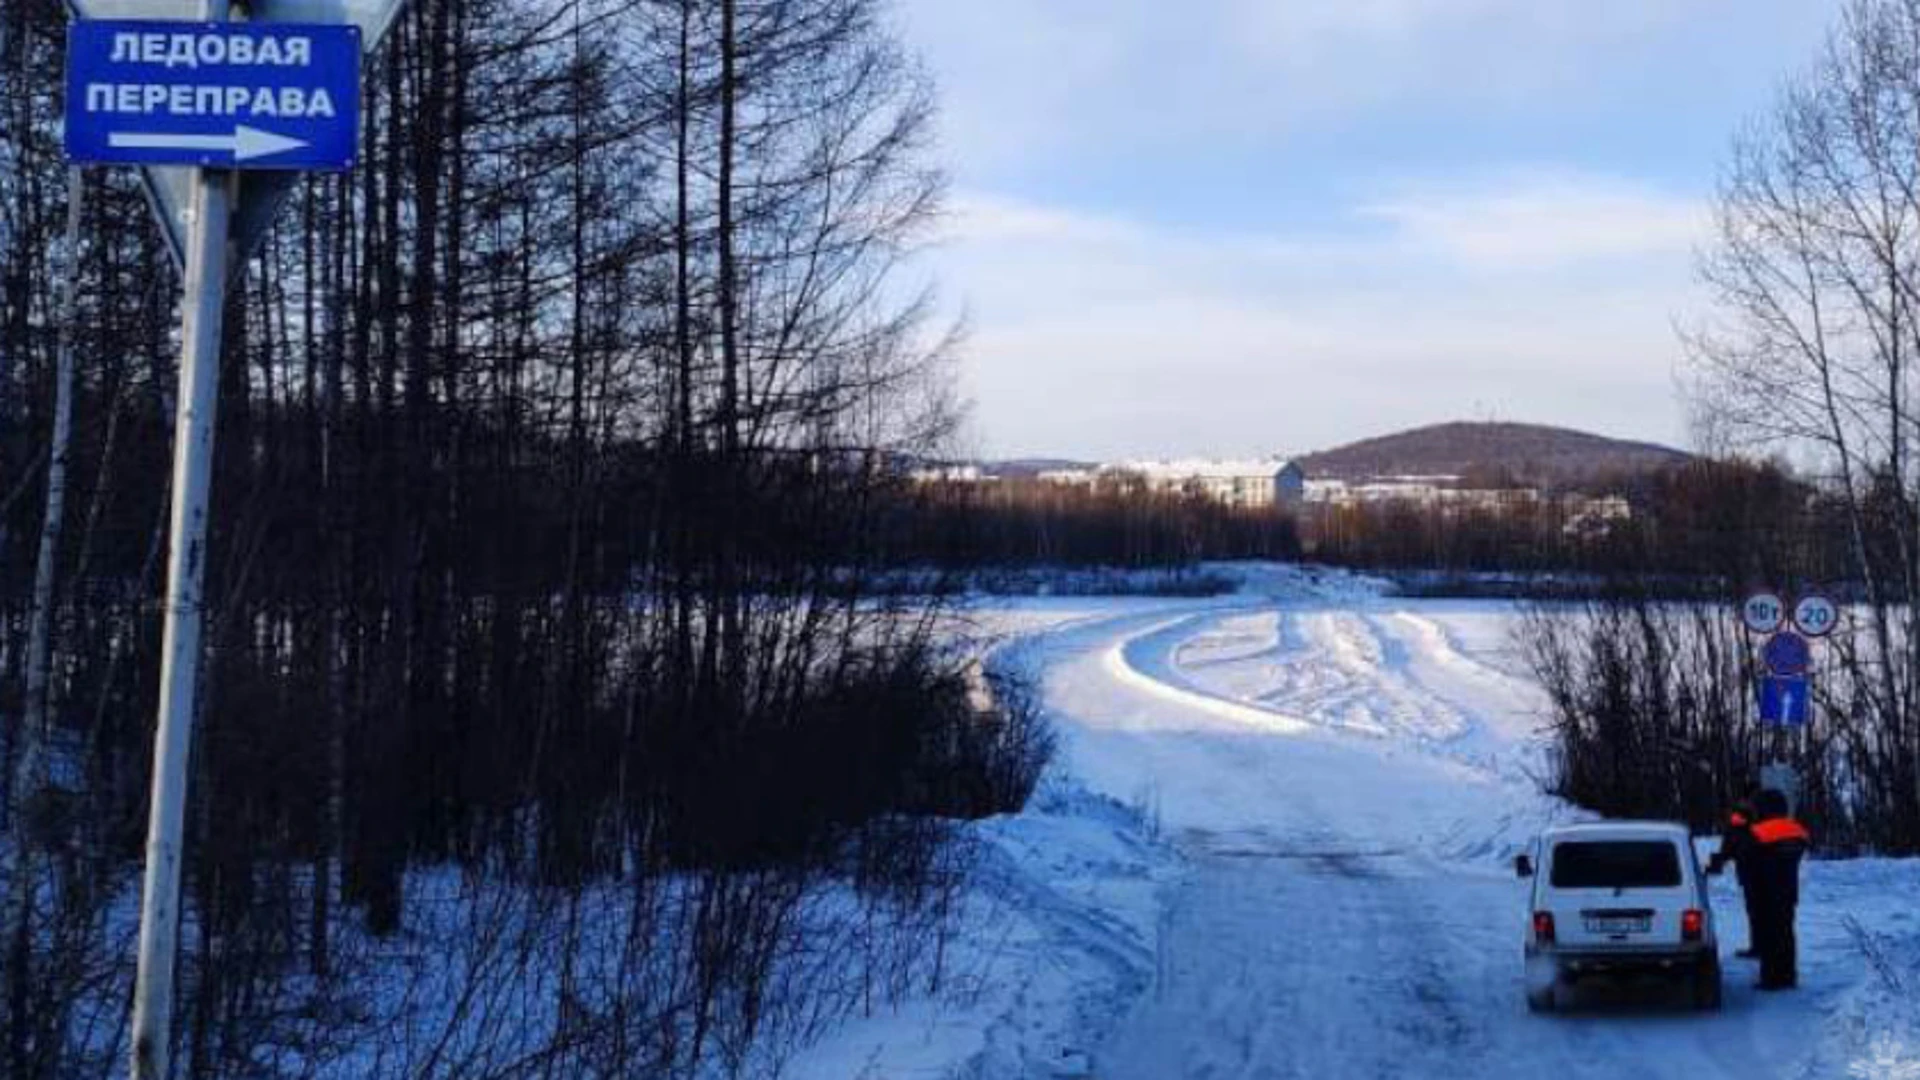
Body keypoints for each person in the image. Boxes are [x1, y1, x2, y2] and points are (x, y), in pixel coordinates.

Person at [1745, 788, 1811, 990]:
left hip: (1764, 892)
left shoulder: (1757, 832)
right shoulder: (1799, 831)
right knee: (1786, 932)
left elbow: (1750, 862)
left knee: (1768, 935)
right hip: (1789, 890)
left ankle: (1771, 978)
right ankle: (1788, 975)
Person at [1707, 787, 1762, 957]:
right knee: (1762, 913)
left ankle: (1759, 947)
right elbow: (1728, 850)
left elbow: (1727, 851)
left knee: (1757, 913)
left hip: (1752, 874)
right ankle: (1761, 947)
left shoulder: (1736, 826)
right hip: (1761, 874)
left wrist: (1715, 864)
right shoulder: (1758, 822)